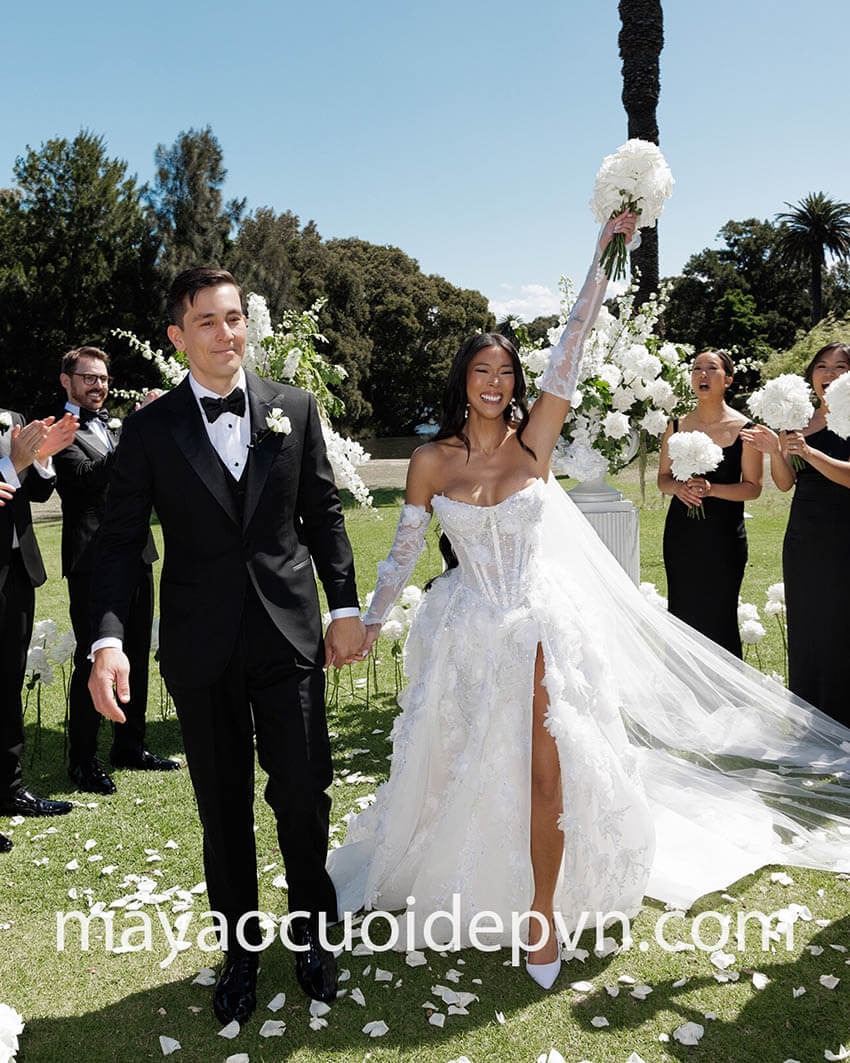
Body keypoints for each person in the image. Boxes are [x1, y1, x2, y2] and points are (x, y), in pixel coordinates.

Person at [329, 221, 850, 992]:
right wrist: (370, 620)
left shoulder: (533, 441)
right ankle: (472, 874)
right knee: (463, 766)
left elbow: (571, 345)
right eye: (482, 370)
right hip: (466, 629)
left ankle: (543, 911)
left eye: (506, 371)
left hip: (538, 621)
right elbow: (404, 550)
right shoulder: (431, 461)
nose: (495, 382)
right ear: (462, 379)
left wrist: (605, 255)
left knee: (548, 771)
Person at [88, 268, 365, 1024]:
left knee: (303, 792)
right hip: (200, 645)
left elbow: (323, 513)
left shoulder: (294, 408)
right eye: (207, 321)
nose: (225, 333)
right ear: (178, 337)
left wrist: (344, 606)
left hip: (288, 635)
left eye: (234, 317)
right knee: (224, 808)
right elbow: (119, 542)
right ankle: (240, 954)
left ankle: (312, 935)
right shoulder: (150, 430)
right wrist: (107, 640)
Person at [55, 346, 178, 794]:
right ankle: (82, 760)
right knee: (94, 655)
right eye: (89, 378)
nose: (98, 386)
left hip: (137, 554)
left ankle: (130, 745)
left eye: (104, 379)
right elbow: (86, 478)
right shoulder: (57, 432)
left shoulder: (115, 426)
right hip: (91, 561)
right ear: (67, 381)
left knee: (137, 651)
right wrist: (135, 431)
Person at [741, 342, 850, 725]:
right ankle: (811, 719)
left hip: (845, 532)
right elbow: (786, 483)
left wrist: (808, 452)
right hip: (804, 535)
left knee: (841, 622)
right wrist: (776, 451)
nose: (829, 373)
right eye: (822, 366)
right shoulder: (798, 419)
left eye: (840, 366)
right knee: (808, 622)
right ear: (811, 375)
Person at [0, 407, 78, 851]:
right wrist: (12, 464)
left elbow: (37, 489)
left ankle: (9, 789)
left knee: (9, 682)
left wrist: (42, 457)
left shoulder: (13, 417)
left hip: (17, 570)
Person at [657, 350, 762, 657]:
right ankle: (681, 683)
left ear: (728, 379)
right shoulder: (675, 426)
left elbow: (753, 488)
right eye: (696, 368)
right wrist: (678, 488)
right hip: (682, 537)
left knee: (720, 615)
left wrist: (711, 489)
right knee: (682, 613)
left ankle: (725, 683)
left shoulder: (747, 429)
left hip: (724, 539)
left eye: (711, 368)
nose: (702, 374)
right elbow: (663, 478)